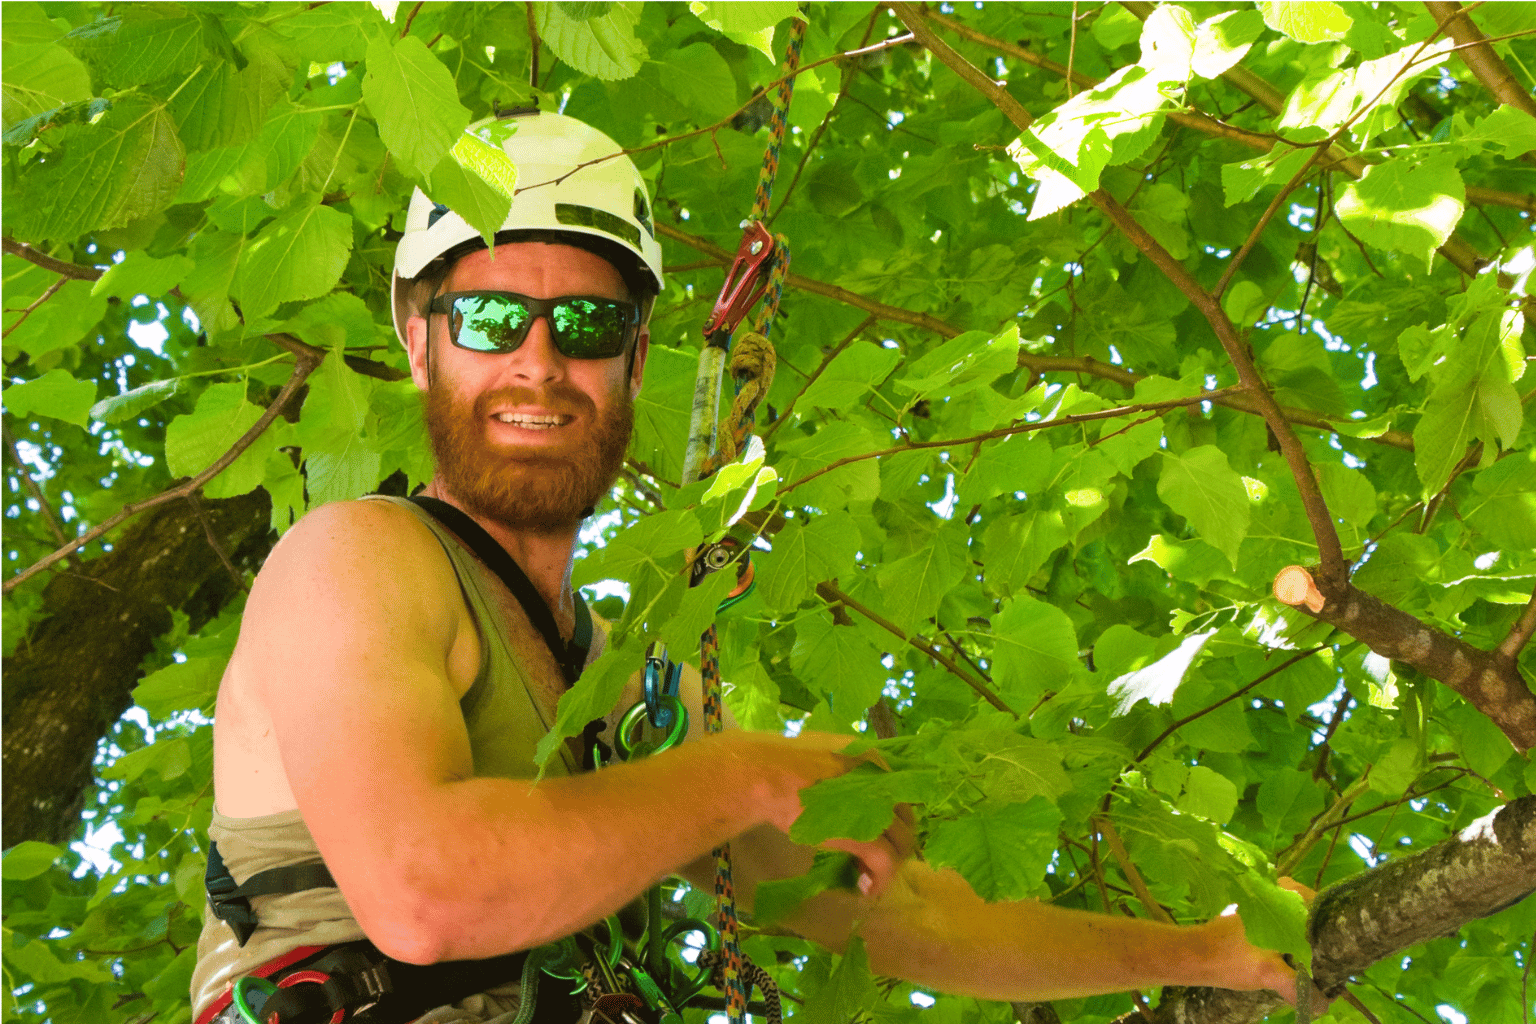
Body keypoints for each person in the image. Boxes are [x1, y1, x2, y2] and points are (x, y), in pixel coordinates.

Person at [190, 110, 1304, 1024]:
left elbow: (906, 915)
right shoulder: (356, 560)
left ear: (634, 358)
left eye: (585, 321)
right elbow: (422, 892)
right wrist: (754, 772)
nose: (539, 361)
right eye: (488, 317)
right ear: (423, 341)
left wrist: (1203, 945)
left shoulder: (627, 711)